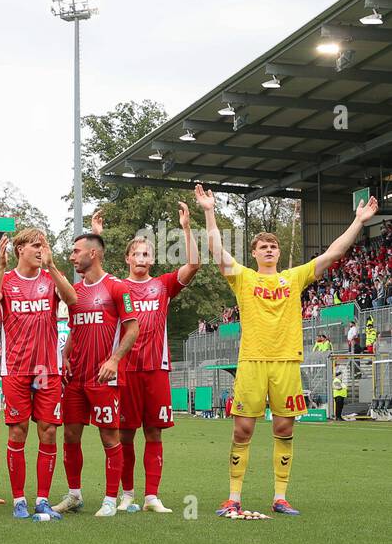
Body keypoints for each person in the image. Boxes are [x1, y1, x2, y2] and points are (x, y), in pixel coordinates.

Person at [198, 183, 378, 516]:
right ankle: (233, 497)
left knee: (284, 428)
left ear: (279, 253)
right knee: (243, 428)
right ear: (254, 253)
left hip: (285, 362)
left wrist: (359, 221)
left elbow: (333, 254)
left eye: (273, 246)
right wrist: (209, 211)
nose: (269, 250)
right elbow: (216, 250)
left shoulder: (293, 278)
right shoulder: (244, 278)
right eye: (263, 246)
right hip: (252, 361)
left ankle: (280, 497)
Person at [0, 229, 78, 520]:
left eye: (44, 245)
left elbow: (72, 299)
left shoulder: (50, 278)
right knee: (17, 431)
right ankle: (19, 500)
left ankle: (42, 500)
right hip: (16, 369)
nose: (41, 249)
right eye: (36, 245)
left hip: (47, 369)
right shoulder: (7, 280)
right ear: (20, 249)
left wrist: (51, 264)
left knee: (48, 431)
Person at [114, 202, 201, 513]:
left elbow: (193, 264)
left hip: (156, 369)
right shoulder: (117, 287)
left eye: (146, 254)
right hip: (125, 371)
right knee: (125, 435)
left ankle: (152, 496)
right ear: (127, 258)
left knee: (154, 432)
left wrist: (187, 227)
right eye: (136, 254)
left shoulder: (162, 286)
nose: (141, 258)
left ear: (152, 259)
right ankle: (127, 495)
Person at [53, 228, 139, 517]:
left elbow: (133, 328)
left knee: (109, 438)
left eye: (76, 251)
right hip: (76, 377)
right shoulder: (74, 292)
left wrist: (114, 360)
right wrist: (65, 355)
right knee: (70, 435)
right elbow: (75, 330)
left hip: (105, 377)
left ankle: (110, 500)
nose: (72, 256)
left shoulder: (117, 287)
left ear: (93, 253)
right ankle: (74, 494)